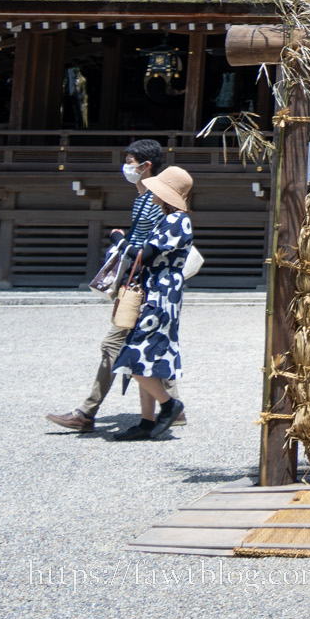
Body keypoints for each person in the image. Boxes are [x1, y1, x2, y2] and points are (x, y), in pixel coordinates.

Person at [48, 138, 185, 432]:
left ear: (146, 166)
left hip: (144, 285)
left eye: (130, 161)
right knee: (150, 346)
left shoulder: (154, 202)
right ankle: (168, 406)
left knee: (118, 345)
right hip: (143, 284)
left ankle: (89, 411)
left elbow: (145, 250)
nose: (126, 166)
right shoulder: (143, 199)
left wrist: (119, 242)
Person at [106, 166, 195, 441]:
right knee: (147, 361)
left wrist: (119, 240)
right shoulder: (169, 219)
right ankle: (146, 421)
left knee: (132, 357)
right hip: (156, 292)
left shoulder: (176, 221)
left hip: (161, 296)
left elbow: (144, 255)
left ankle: (169, 405)